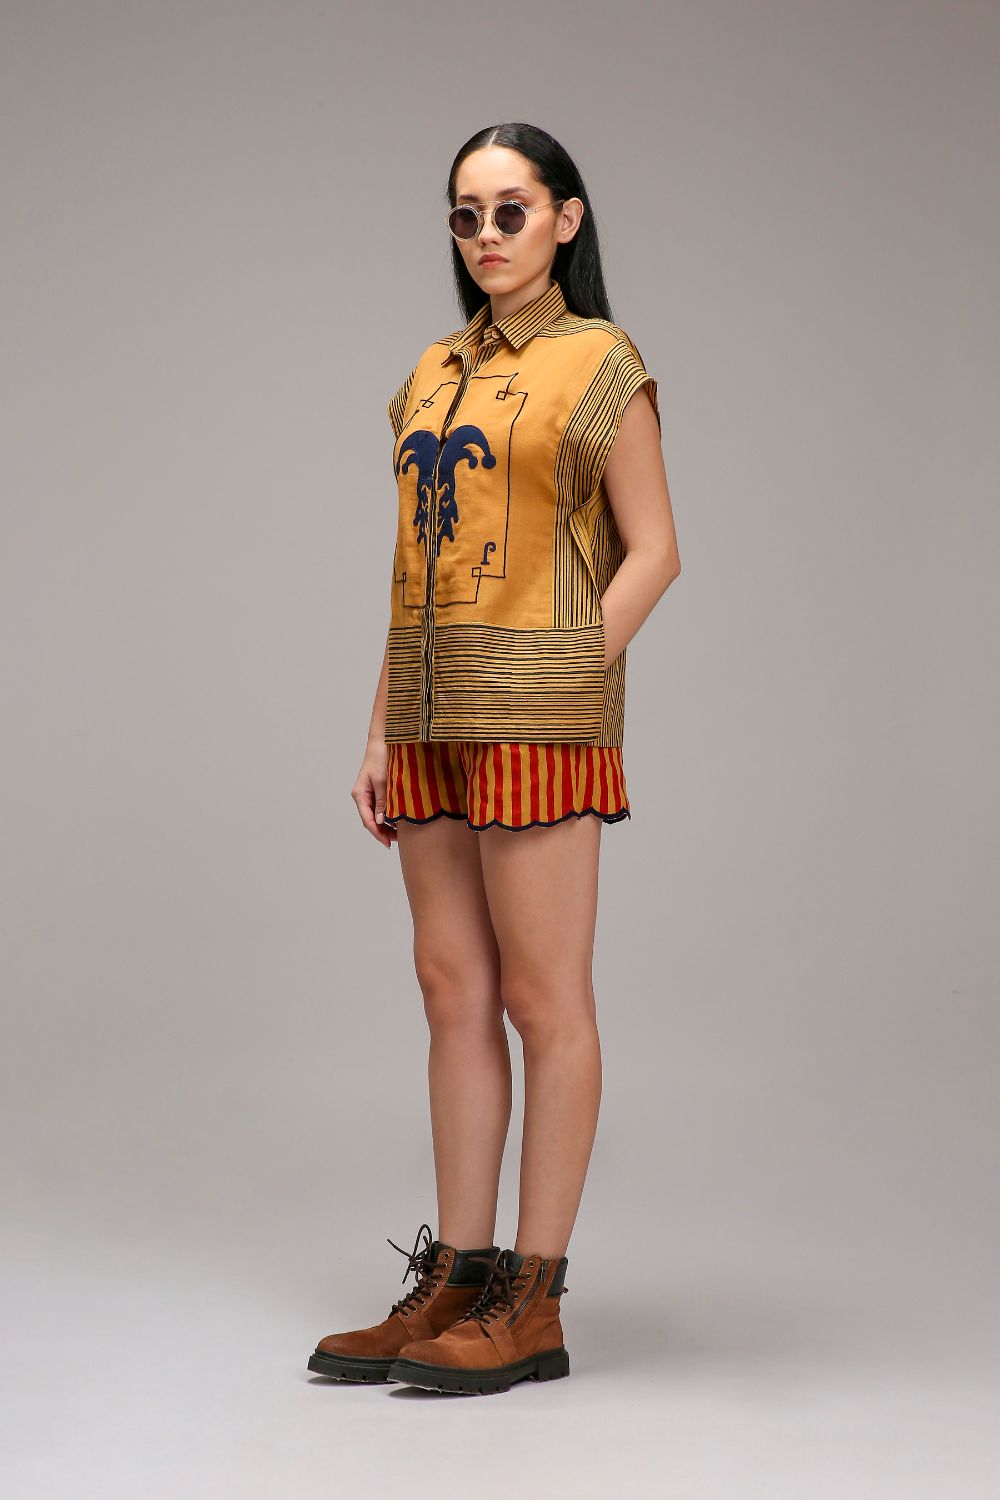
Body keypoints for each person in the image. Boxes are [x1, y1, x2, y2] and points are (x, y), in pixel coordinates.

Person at [308, 123, 680, 1397]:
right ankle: (458, 1279)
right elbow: (411, 560)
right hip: (428, 714)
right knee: (450, 990)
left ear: (565, 219)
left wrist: (573, 675)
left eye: (510, 211)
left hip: (535, 717)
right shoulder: (431, 372)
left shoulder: (600, 362)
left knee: (541, 1001)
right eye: (465, 215)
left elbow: (656, 549)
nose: (484, 237)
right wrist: (378, 726)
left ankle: (535, 1299)